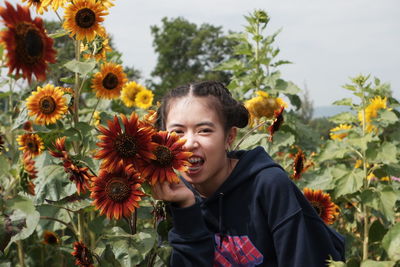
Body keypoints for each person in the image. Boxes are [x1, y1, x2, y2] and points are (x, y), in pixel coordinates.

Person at [151, 81, 345, 266]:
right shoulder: (171, 194)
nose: (189, 143)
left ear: (229, 137)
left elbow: (304, 258)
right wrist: (186, 207)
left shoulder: (267, 185)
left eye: (204, 130)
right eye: (177, 132)